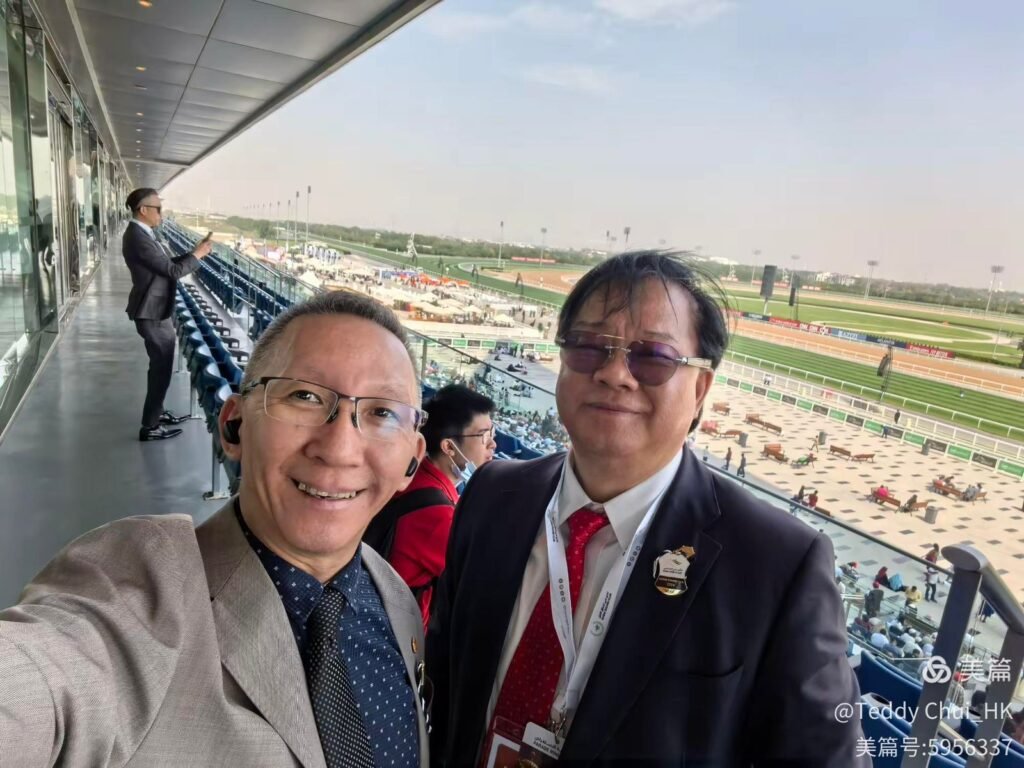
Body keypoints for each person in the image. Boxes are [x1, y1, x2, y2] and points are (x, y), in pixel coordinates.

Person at [426, 252, 866, 765]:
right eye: (590, 346)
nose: (615, 373)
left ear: (700, 389)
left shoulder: (777, 566)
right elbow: (443, 687)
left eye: (653, 356)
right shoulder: (492, 498)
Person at [0, 292, 430, 766]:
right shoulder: (143, 592)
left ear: (412, 462)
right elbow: (40, 675)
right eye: (304, 396)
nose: (339, 449)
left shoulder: (396, 601)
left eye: (382, 412)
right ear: (234, 425)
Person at [378, 384, 496, 626]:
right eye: (484, 436)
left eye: (493, 434)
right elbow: (483, 583)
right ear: (449, 447)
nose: (493, 445)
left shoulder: (417, 474)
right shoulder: (438, 516)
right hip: (397, 631)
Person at [123, 188, 212, 441]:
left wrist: (193, 252)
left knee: (161, 367)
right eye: (158, 209)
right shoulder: (138, 237)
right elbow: (172, 272)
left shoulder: (143, 233)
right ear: (143, 210)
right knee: (161, 368)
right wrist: (198, 255)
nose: (161, 213)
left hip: (156, 309)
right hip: (151, 311)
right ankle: (150, 426)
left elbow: (167, 264)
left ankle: (157, 412)